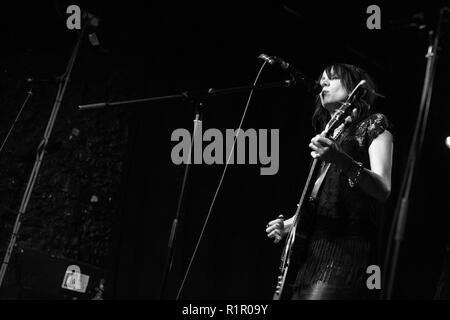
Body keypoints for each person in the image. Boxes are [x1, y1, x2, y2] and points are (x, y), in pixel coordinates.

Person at [266, 63, 393, 300]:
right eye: (321, 80)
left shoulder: (374, 125)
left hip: (344, 253)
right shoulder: (332, 134)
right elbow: (323, 196)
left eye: (331, 78)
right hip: (310, 256)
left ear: (355, 88)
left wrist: (341, 159)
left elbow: (383, 189)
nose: (322, 83)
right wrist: (292, 223)